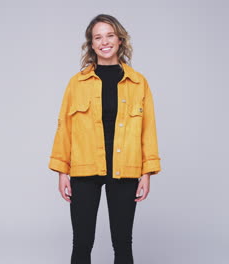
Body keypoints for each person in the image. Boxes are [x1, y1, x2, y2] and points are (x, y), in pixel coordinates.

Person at [48, 14, 162, 264]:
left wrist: (146, 173)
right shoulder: (77, 83)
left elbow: (148, 130)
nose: (104, 42)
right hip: (84, 168)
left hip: (126, 170)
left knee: (123, 243)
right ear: (91, 44)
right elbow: (64, 128)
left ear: (120, 40)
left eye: (110, 35)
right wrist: (62, 171)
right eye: (97, 37)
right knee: (81, 243)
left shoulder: (138, 83)